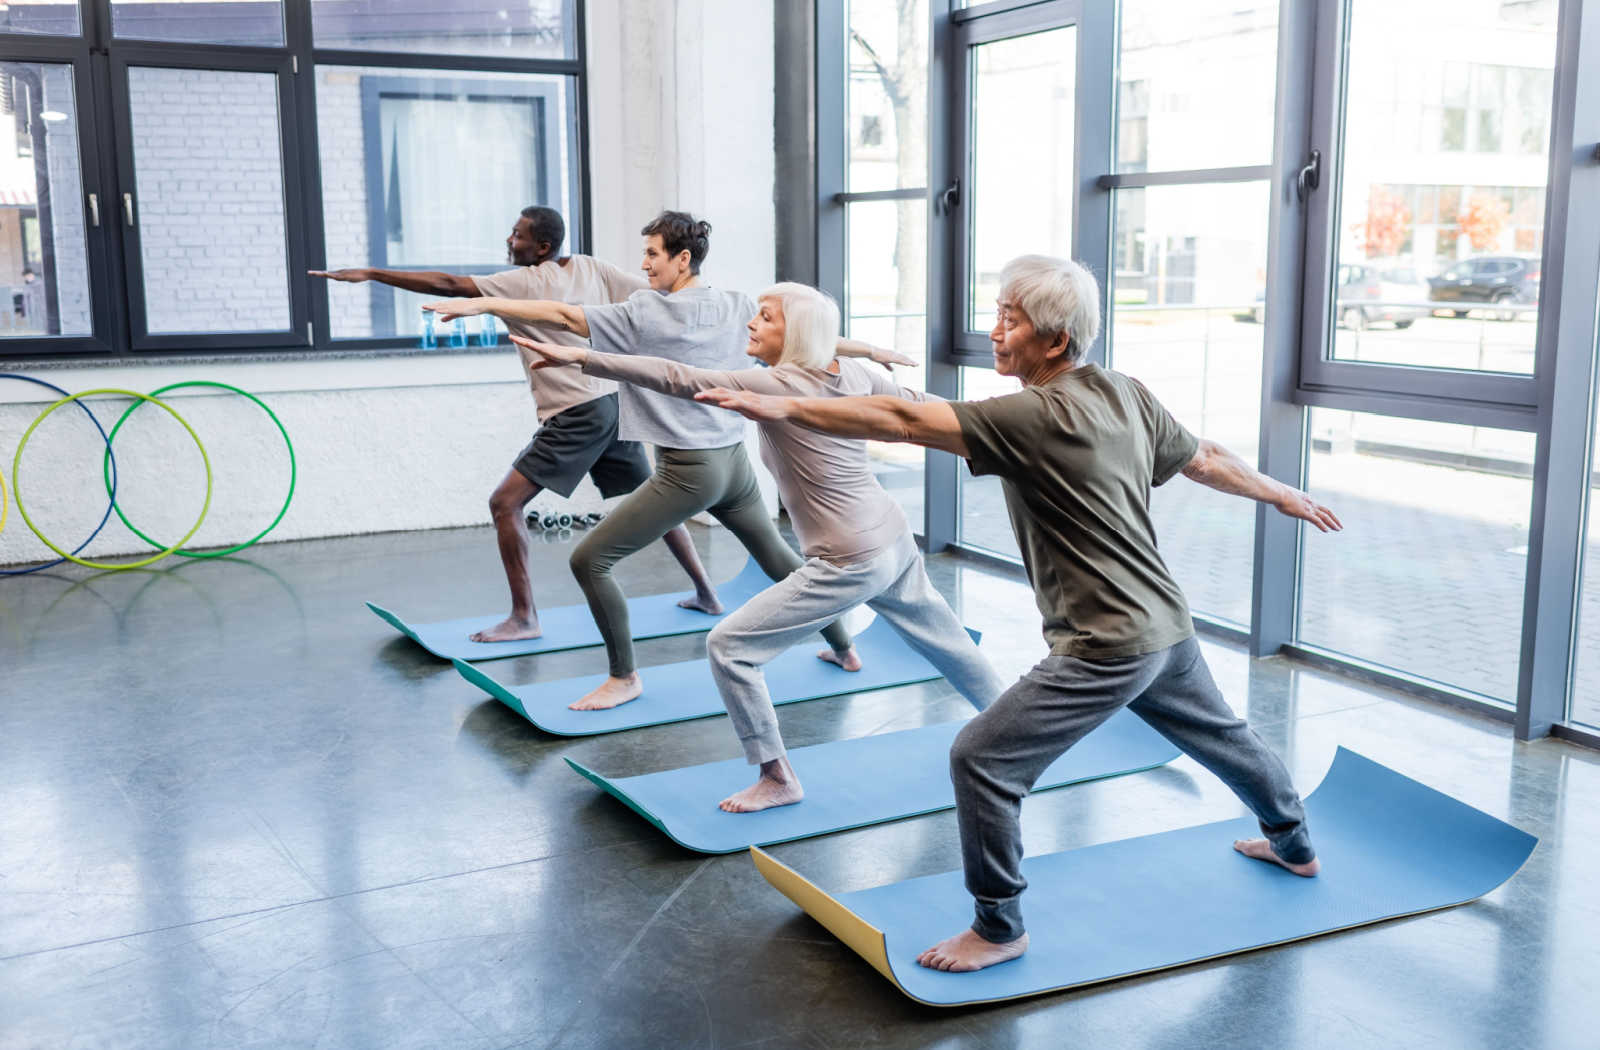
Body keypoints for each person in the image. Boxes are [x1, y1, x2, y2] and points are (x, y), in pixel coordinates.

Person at [694, 254, 1343, 973]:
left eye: (1009, 319)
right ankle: (1295, 845)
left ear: (1055, 341)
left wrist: (784, 404)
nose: (995, 332)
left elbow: (902, 418)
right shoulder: (1124, 391)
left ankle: (999, 929)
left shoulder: (1032, 414)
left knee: (981, 761)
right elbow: (1205, 457)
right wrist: (1280, 493)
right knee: (1224, 736)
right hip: (1163, 623)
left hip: (1105, 643)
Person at [514, 281, 1005, 811]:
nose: (752, 323)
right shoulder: (857, 373)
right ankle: (1013, 734)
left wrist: (584, 357)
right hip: (892, 537)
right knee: (945, 640)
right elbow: (930, 405)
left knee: (730, 648)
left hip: (849, 557)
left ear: (793, 332)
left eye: (766, 317)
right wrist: (1017, 421)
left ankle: (777, 778)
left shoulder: (777, 385)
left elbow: (679, 377)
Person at [423, 211, 910, 710]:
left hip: (687, 474)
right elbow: (808, 342)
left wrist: (479, 302)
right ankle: (845, 648)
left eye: (653, 254)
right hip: (734, 469)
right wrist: (871, 350)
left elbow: (566, 316)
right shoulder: (738, 304)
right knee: (780, 563)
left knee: (589, 561)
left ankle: (623, 678)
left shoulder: (644, 312)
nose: (645, 264)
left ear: (682, 259)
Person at [309, 205, 721, 643]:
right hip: (614, 402)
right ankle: (706, 593)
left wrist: (372, 273)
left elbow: (446, 284)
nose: (510, 241)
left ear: (542, 247)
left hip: (579, 412)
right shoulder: (591, 268)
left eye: (518, 235)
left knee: (504, 504)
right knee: (651, 499)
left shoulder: (523, 282)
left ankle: (524, 618)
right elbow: (661, 296)